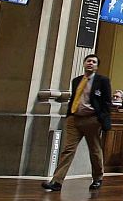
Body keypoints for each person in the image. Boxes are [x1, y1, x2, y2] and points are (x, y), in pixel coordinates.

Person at [43, 54, 113, 192]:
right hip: (74, 118)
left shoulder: (102, 81)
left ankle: (97, 178)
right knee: (68, 150)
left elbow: (106, 102)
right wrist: (69, 114)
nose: (90, 63)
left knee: (94, 150)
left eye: (93, 62)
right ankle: (57, 181)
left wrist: (101, 118)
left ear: (97, 66)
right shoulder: (76, 81)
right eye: (88, 61)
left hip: (92, 119)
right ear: (84, 63)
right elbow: (74, 97)